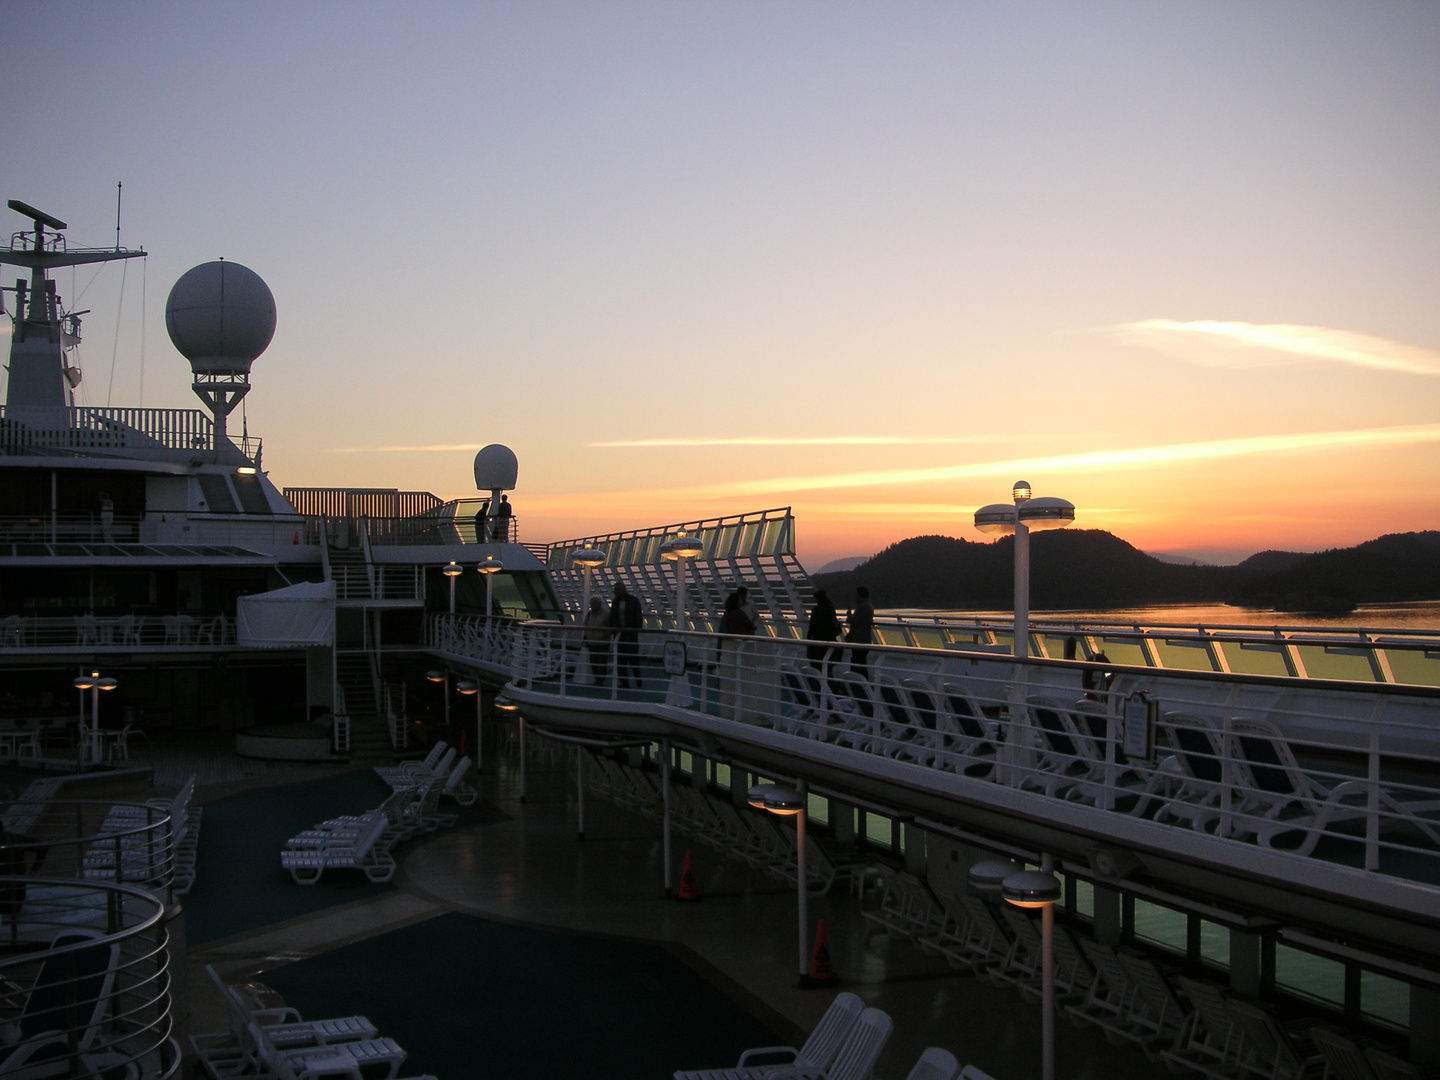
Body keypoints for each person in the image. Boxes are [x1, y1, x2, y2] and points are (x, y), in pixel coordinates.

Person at [606, 582, 644, 689]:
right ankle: (624, 682)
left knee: (633, 658)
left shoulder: (633, 601)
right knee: (620, 659)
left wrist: (635, 629)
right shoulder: (616, 602)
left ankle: (637, 678)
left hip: (630, 634)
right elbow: (612, 616)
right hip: (620, 634)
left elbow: (637, 616)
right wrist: (614, 628)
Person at [805, 589, 841, 672]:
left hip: (818, 639)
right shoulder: (831, 609)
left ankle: (822, 679)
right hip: (829, 638)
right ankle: (828, 679)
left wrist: (809, 639)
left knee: (818, 662)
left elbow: (812, 626)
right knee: (828, 662)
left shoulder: (816, 610)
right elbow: (834, 623)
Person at [845, 585, 875, 680]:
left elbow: (855, 622)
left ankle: (858, 682)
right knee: (860, 662)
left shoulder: (863, 607)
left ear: (860, 595)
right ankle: (860, 682)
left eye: (856, 594)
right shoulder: (867, 606)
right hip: (863, 639)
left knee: (858, 662)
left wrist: (849, 616)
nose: (855, 597)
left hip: (860, 640)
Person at [583, 596, 610, 684]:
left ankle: (600, 680)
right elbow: (585, 626)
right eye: (591, 604)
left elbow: (610, 626)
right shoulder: (589, 614)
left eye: (593, 604)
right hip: (592, 641)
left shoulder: (606, 614)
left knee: (601, 661)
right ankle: (597, 678)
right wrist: (587, 636)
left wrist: (605, 635)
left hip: (602, 642)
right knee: (594, 661)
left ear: (599, 604)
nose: (592, 606)